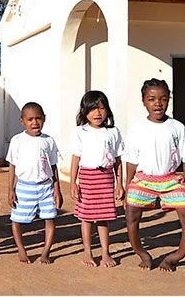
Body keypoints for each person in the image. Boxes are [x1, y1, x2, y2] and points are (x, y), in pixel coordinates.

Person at [125, 78, 185, 272]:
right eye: (152, 99)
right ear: (144, 101)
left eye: (163, 99)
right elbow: (132, 159)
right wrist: (128, 186)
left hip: (171, 179)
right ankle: (143, 253)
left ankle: (175, 257)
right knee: (131, 214)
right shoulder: (137, 128)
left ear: (168, 101)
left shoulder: (177, 127)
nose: (157, 103)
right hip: (143, 179)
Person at [69, 91, 125, 268]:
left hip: (106, 178)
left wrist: (120, 184)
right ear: (84, 111)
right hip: (87, 178)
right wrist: (72, 182)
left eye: (102, 108)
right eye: (93, 108)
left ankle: (105, 252)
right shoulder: (80, 132)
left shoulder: (113, 132)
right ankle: (87, 251)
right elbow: (75, 159)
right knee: (86, 217)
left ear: (107, 110)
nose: (98, 113)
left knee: (103, 218)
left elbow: (117, 160)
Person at [6, 102, 63, 264]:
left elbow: (53, 166)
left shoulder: (49, 141)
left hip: (46, 187)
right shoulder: (17, 141)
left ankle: (45, 252)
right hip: (24, 187)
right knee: (16, 219)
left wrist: (56, 190)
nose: (34, 122)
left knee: (50, 219)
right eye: (30, 119)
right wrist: (11, 189)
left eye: (38, 118)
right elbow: (12, 166)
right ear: (22, 121)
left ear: (44, 119)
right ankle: (21, 249)